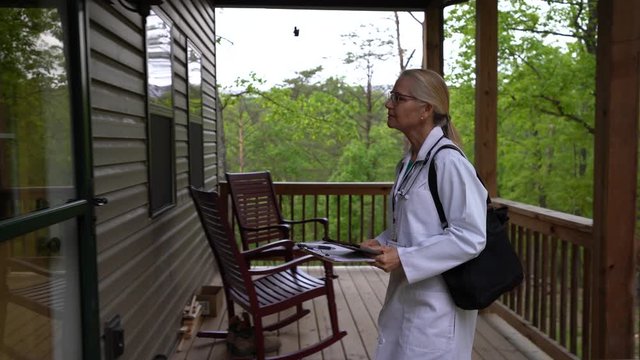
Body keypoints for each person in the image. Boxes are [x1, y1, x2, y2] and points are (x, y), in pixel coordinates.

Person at [361, 69, 487, 360]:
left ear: (425, 109)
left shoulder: (449, 162)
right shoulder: (409, 163)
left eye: (398, 97)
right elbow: (412, 226)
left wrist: (403, 258)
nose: (388, 104)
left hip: (437, 308)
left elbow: (470, 236)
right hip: (406, 298)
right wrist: (380, 243)